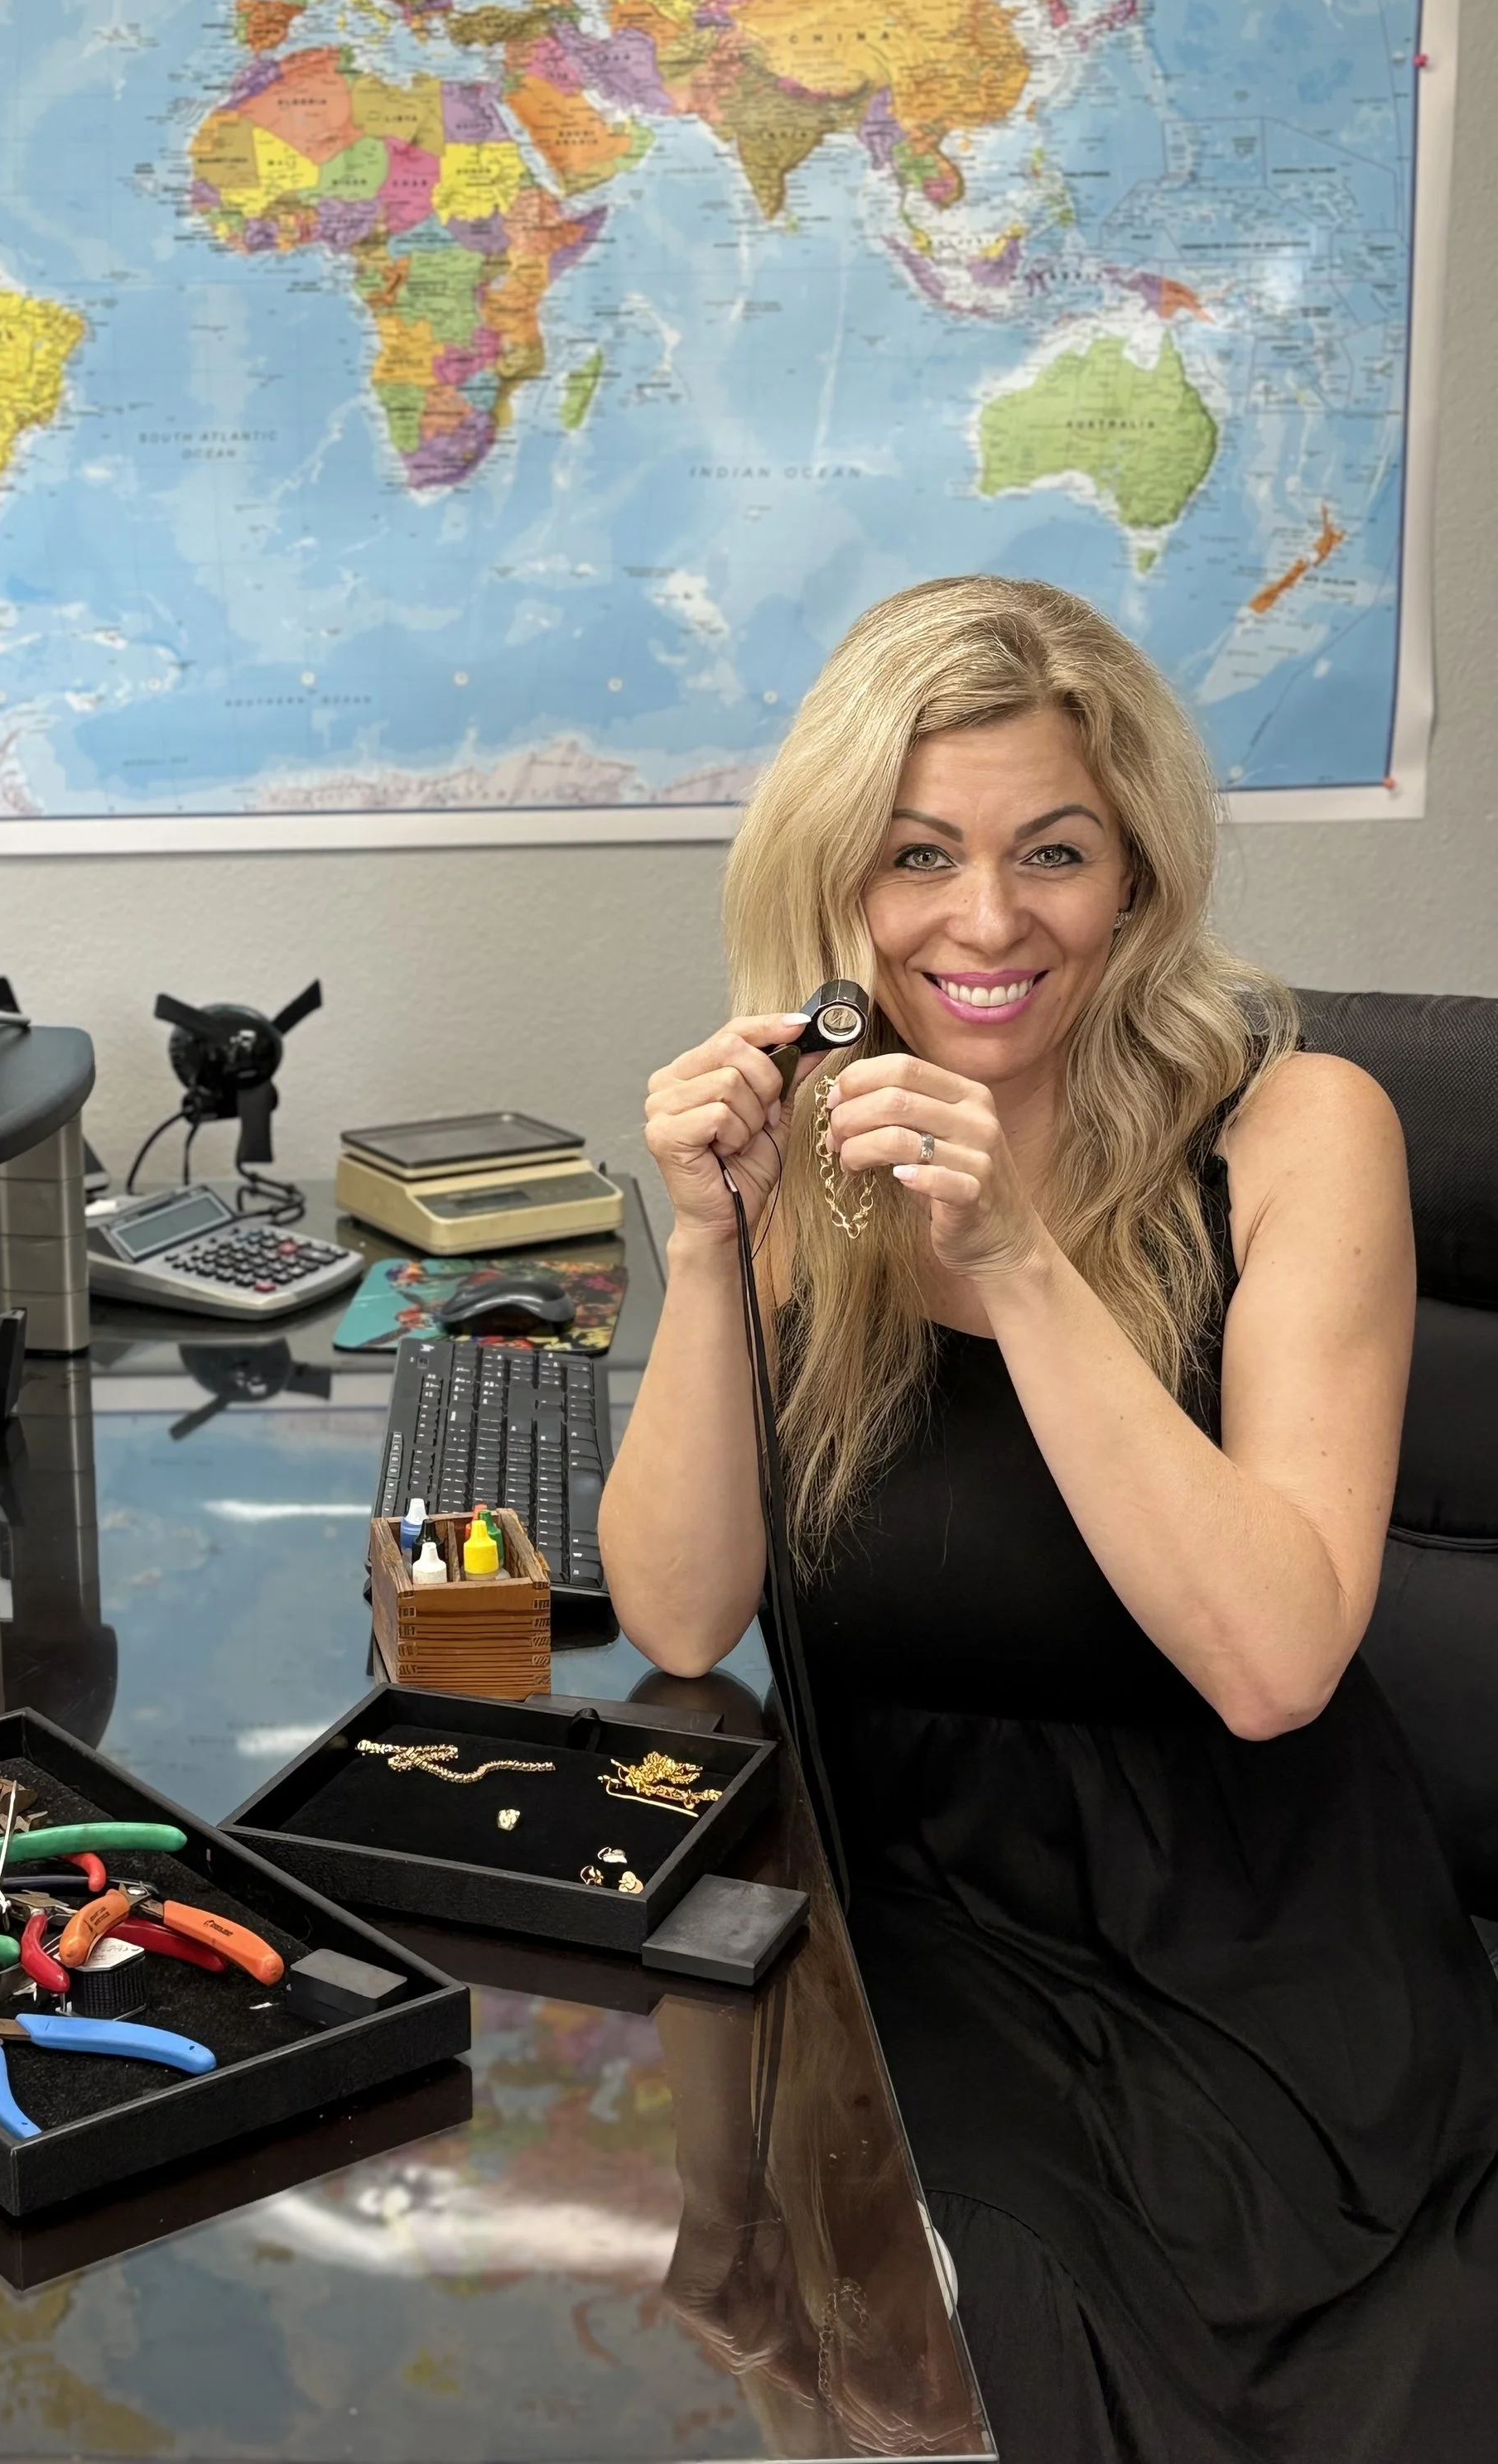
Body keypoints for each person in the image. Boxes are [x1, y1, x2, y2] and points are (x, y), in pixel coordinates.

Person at [602, 577, 1498, 2462]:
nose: (985, 919)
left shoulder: (1293, 1130)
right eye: (916, 853)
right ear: (838, 880)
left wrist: (1016, 1260)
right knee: (856, 2341)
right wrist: (707, 1248)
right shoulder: (812, 1140)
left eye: (1052, 853)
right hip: (912, 1932)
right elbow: (681, 1621)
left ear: (1137, 881)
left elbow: (1272, 1662)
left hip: (1241, 1960)